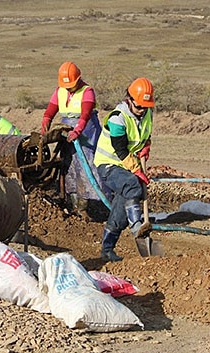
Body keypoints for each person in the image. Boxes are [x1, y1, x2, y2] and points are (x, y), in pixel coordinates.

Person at [93, 78, 154, 262]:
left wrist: (146, 146)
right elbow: (120, 150)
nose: (142, 110)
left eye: (145, 106)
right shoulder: (117, 118)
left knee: (120, 211)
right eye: (139, 107)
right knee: (132, 185)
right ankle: (137, 226)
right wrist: (137, 170)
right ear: (129, 100)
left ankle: (107, 250)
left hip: (126, 165)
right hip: (108, 164)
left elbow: (145, 133)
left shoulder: (147, 113)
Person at [41, 61, 104, 219]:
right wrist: (45, 121)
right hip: (66, 129)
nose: (68, 88)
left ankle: (83, 206)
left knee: (85, 166)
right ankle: (72, 202)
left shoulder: (87, 91)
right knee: (68, 166)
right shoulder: (60, 91)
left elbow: (85, 115)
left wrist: (78, 130)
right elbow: (50, 111)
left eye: (71, 85)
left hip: (87, 132)